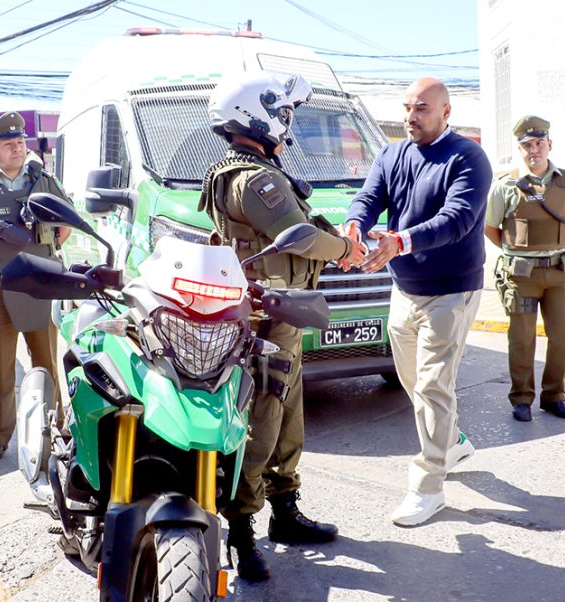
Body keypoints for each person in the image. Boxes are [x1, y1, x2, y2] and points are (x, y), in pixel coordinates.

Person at [199, 72, 366, 582]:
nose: (287, 123)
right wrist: (346, 249)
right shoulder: (256, 180)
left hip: (279, 314)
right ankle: (241, 531)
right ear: (257, 115)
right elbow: (299, 238)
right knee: (261, 424)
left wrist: (335, 238)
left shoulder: (252, 172)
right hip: (263, 318)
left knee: (287, 416)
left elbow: (302, 227)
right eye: (283, 113)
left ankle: (285, 512)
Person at [341, 77, 492, 527]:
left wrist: (401, 241)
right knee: (415, 382)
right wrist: (354, 225)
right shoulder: (392, 154)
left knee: (431, 386)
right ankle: (452, 443)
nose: (411, 116)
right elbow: (370, 197)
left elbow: (457, 219)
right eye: (407, 107)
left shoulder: (467, 157)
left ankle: (428, 487)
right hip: (404, 288)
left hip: (450, 290)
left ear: (446, 112)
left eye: (422, 108)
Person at [485, 116, 565, 423]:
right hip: (522, 275)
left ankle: (554, 395)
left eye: (539, 143)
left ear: (549, 145)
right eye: (527, 145)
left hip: (560, 271)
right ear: (520, 150)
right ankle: (521, 398)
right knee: (522, 338)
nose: (534, 150)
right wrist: (517, 250)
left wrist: (555, 244)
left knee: (563, 336)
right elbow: (491, 228)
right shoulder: (505, 186)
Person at [0, 111, 71, 464]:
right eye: (8, 143)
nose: (17, 147)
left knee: (45, 359)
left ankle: (55, 428)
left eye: (20, 141)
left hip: (38, 279)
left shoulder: (43, 180)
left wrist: (45, 249)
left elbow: (65, 225)